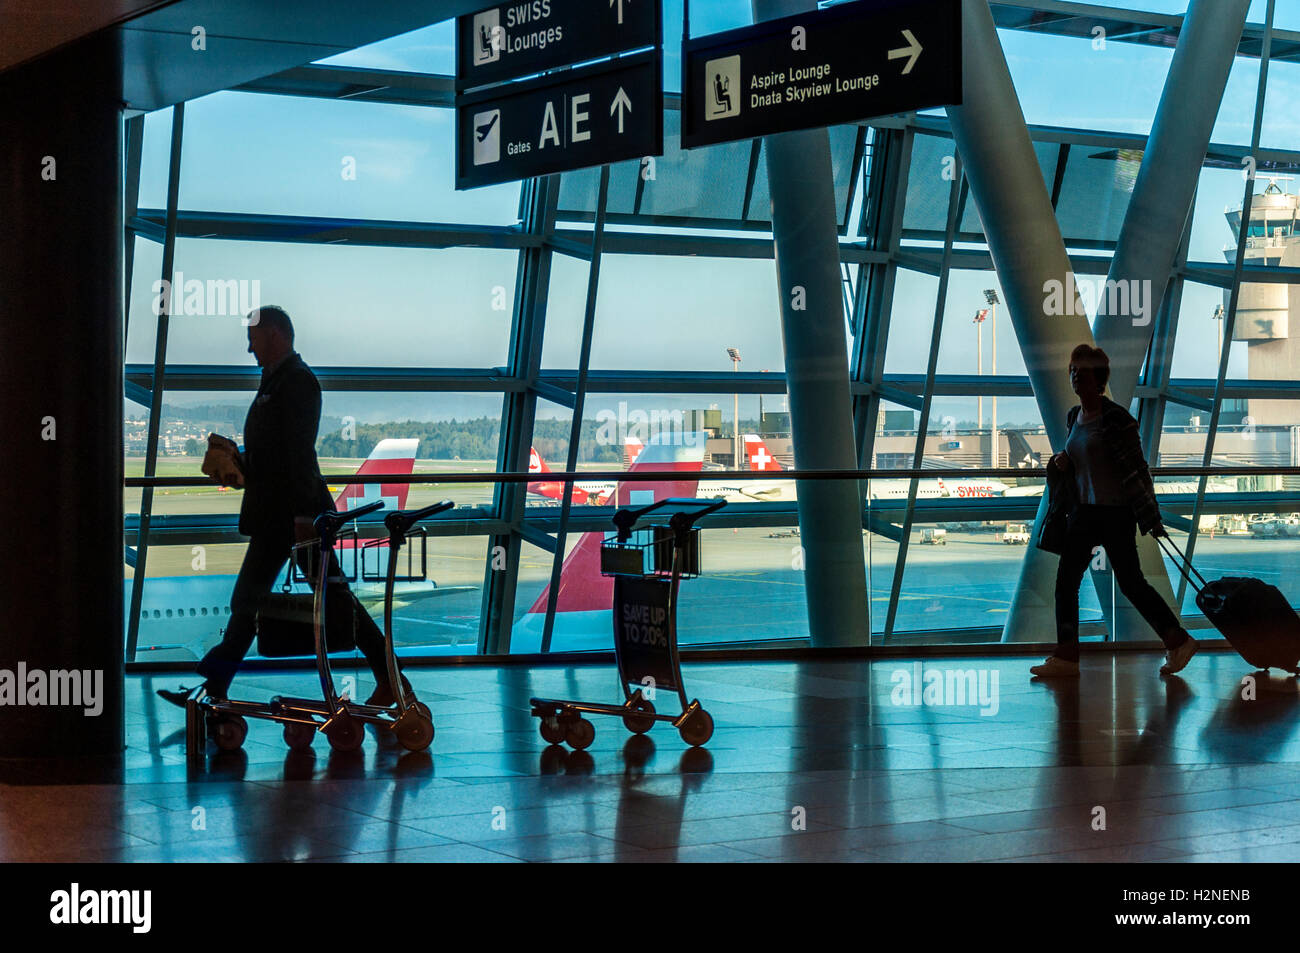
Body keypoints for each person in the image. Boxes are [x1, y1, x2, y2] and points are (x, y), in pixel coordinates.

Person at [159, 306, 411, 708]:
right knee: (291, 599)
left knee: (279, 600)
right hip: (281, 515)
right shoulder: (280, 381)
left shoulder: (296, 383)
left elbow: (296, 454)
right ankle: (215, 684)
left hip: (293, 517)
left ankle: (215, 685)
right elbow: (279, 453)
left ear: (275, 335)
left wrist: (299, 516)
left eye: (253, 338)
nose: (248, 347)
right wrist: (240, 461)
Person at [1029, 344, 1198, 678]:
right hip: (1085, 512)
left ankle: (1177, 639)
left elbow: (1137, 471)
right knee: (1068, 582)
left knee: (1130, 584)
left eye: (1082, 371)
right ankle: (1067, 655)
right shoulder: (1073, 417)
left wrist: (1151, 516)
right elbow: (1080, 462)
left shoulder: (1118, 420)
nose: (1075, 376)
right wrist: (1062, 463)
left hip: (1115, 513)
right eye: (1073, 370)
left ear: (1099, 378)